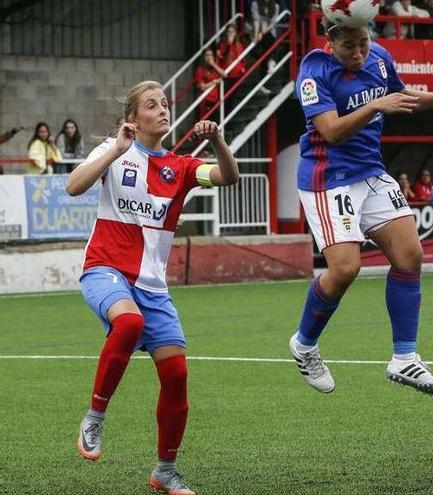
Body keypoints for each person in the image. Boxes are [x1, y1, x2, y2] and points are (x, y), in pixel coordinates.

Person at [66, 81, 239, 495]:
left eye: (165, 104)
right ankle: (95, 417)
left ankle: (165, 471)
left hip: (154, 288)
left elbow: (228, 177)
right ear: (133, 118)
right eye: (151, 105)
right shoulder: (114, 150)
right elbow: (74, 186)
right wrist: (116, 150)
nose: (162, 110)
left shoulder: (180, 167)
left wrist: (218, 141)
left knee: (177, 373)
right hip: (105, 271)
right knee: (127, 323)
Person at [291, 20, 433, 396]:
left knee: (410, 254)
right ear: (330, 42)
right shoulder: (313, 70)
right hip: (329, 177)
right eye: (349, 47)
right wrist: (375, 104)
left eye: (363, 43)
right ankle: (304, 345)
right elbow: (331, 131)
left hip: (371, 172)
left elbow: (402, 97)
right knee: (345, 269)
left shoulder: (380, 57)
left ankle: (404, 358)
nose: (358, 53)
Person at [193, 49, 224, 119]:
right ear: (203, 57)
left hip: (215, 100)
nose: (209, 57)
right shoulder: (200, 70)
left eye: (211, 55)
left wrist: (214, 64)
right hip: (206, 100)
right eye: (207, 55)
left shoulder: (214, 68)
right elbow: (202, 87)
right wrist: (213, 82)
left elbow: (224, 74)